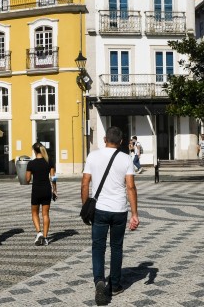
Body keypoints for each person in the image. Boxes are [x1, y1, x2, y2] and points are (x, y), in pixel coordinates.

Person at [81, 126, 139, 306]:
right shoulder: (126, 158)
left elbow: (85, 184)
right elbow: (130, 187)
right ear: (121, 142)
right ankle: (115, 285)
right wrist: (135, 214)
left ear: (105, 139)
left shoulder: (93, 156)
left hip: (99, 209)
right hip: (119, 210)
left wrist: (85, 206)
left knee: (98, 247)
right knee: (116, 247)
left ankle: (99, 281)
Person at [26, 143, 57, 246]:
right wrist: (55, 190)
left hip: (36, 190)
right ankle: (45, 237)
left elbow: (27, 179)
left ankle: (39, 233)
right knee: (45, 214)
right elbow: (53, 178)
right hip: (46, 189)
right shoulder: (49, 162)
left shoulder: (31, 164)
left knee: (35, 213)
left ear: (34, 151)